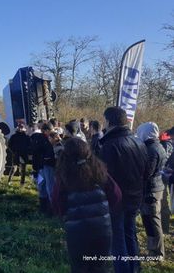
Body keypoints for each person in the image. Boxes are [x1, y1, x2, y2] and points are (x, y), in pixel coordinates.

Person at [52, 138, 122, 273]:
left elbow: (56, 203)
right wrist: (106, 210)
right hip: (102, 229)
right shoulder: (100, 172)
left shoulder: (64, 177)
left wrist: (65, 216)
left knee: (80, 268)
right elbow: (116, 195)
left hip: (76, 232)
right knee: (100, 267)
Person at [98, 107, 148, 273]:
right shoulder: (139, 142)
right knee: (130, 233)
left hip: (118, 199)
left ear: (109, 121)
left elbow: (105, 178)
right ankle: (135, 267)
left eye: (104, 120)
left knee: (118, 239)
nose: (103, 123)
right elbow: (146, 172)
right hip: (135, 197)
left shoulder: (109, 145)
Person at [136, 122, 166, 258]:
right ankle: (152, 249)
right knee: (148, 219)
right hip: (154, 187)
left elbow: (147, 172)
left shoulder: (152, 149)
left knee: (153, 220)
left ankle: (157, 252)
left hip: (152, 189)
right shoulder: (155, 146)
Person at [7, 119, 30, 186]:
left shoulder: (26, 137)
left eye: (22, 127)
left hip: (24, 154)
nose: (20, 129)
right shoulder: (14, 136)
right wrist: (14, 151)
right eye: (19, 127)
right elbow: (9, 145)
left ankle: (22, 183)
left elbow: (29, 145)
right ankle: (9, 181)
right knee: (14, 167)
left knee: (23, 169)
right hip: (16, 154)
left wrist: (27, 152)